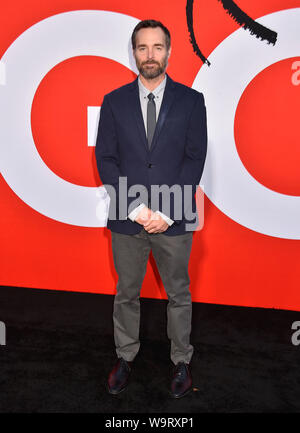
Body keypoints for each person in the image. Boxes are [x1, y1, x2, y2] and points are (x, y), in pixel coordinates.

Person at [95, 19, 207, 398]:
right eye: (142, 48)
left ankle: (181, 361)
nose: (150, 55)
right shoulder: (113, 102)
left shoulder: (193, 101)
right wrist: (135, 208)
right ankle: (125, 356)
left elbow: (195, 160)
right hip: (128, 221)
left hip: (173, 220)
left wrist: (168, 212)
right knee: (127, 292)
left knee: (179, 293)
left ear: (169, 52)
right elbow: (106, 160)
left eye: (157, 47)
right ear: (134, 53)